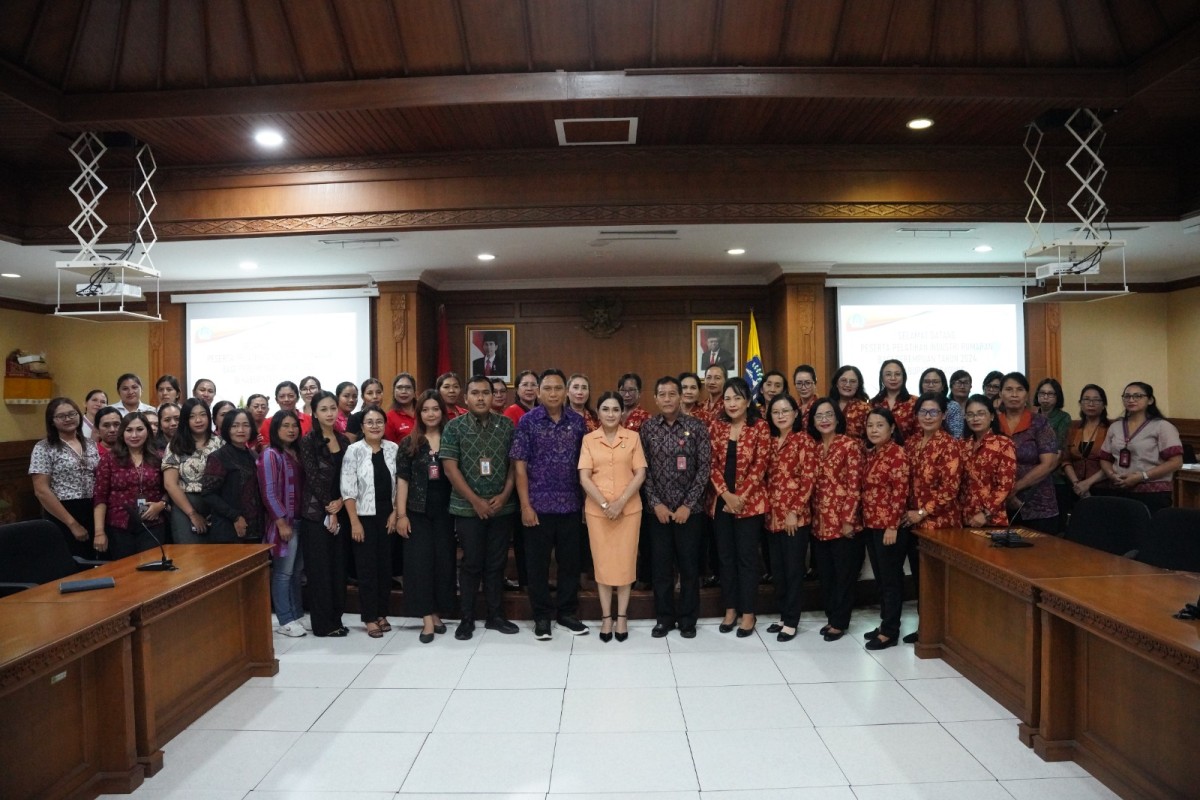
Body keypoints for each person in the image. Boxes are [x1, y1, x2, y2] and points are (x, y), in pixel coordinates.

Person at [511, 369, 589, 639]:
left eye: (558, 388)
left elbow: (586, 466)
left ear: (565, 391)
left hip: (570, 505)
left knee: (569, 564)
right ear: (539, 392)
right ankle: (541, 616)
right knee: (537, 565)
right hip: (538, 506)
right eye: (548, 388)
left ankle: (567, 613)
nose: (553, 393)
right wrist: (525, 505)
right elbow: (519, 467)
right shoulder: (527, 422)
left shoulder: (578, 423)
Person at [441, 376, 520, 640]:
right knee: (472, 563)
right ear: (466, 397)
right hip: (467, 509)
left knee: (496, 564)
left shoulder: (507, 425)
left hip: (501, 507)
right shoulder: (454, 427)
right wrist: (475, 501)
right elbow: (450, 469)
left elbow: (514, 465)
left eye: (486, 392)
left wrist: (505, 494)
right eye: (475, 393)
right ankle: (467, 618)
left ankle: (495, 615)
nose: (481, 398)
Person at [640, 376, 711, 639]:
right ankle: (664, 618)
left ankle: (688, 620)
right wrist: (655, 503)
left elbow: (704, 469)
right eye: (663, 394)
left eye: (673, 394)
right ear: (656, 398)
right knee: (661, 568)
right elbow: (641, 469)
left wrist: (687, 505)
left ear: (681, 397)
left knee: (689, 568)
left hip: (689, 513)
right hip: (657, 512)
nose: (668, 399)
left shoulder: (697, 426)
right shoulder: (647, 429)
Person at [580, 391, 648, 642]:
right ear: (598, 412)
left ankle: (622, 617)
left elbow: (640, 473)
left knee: (625, 563)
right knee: (603, 565)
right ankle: (606, 617)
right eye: (605, 409)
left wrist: (619, 503)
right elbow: (584, 477)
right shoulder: (589, 439)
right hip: (598, 513)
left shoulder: (633, 438)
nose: (610, 414)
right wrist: (606, 504)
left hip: (628, 511)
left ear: (622, 413)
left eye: (615, 409)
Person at [708, 377, 770, 638]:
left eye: (737, 397)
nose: (731, 403)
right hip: (722, 504)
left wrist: (740, 497)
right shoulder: (716, 426)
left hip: (750, 503)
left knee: (747, 559)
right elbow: (710, 462)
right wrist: (726, 495)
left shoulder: (760, 427)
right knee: (726, 558)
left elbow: (761, 464)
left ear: (747, 400)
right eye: (727, 398)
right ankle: (730, 609)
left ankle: (748, 613)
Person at [395, 390, 455, 643]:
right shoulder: (409, 444)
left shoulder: (452, 438)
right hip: (417, 513)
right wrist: (401, 515)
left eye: (435, 409)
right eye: (426, 410)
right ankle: (426, 619)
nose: (431, 414)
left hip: (446, 513)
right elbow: (402, 481)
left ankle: (436, 611)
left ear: (442, 412)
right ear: (419, 414)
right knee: (419, 566)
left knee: (442, 564)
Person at [809, 398, 865, 642]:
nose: (824, 419)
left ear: (837, 418)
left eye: (828, 414)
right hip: (819, 522)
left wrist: (848, 519)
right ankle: (832, 617)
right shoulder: (813, 446)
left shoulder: (849, 445)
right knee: (827, 574)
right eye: (819, 416)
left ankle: (840, 622)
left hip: (843, 523)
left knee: (844, 575)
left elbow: (855, 485)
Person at [764, 394, 818, 643]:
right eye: (776, 412)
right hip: (771, 517)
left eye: (786, 411)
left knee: (794, 570)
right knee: (779, 570)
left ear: (796, 414)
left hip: (794, 518)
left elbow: (808, 479)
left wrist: (794, 511)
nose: (781, 415)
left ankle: (792, 620)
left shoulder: (804, 441)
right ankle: (783, 615)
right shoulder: (769, 440)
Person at [341, 405, 398, 638]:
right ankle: (369, 617)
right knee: (367, 570)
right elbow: (347, 489)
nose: (375, 426)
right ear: (362, 426)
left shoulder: (393, 449)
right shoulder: (353, 451)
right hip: (363, 518)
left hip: (388, 517)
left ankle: (382, 613)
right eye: (369, 422)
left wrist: (396, 512)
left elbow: (400, 483)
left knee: (385, 569)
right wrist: (354, 522)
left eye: (379, 422)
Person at [298, 390, 350, 637]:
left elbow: (348, 477)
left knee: (338, 568)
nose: (330, 413)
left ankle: (336, 619)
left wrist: (340, 503)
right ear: (315, 414)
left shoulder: (345, 440)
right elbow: (313, 477)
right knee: (320, 570)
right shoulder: (308, 441)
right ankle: (323, 624)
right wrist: (330, 506)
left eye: (333, 408)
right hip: (316, 513)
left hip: (341, 509)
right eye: (324, 409)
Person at [860, 407, 910, 650]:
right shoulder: (872, 454)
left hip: (889, 528)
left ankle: (890, 631)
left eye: (880, 425)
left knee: (891, 580)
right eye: (870, 425)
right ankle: (884, 624)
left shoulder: (897, 454)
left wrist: (892, 526)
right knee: (882, 578)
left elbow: (900, 493)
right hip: (871, 524)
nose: (874, 429)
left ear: (891, 428)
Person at [30, 397, 102, 559]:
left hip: (91, 508)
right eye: (61, 416)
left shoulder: (90, 444)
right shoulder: (44, 447)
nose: (68, 418)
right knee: (69, 562)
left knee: (92, 562)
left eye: (72, 414)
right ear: (52, 421)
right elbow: (41, 490)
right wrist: (72, 524)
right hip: (62, 512)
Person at [1098, 381, 1184, 513]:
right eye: (1127, 396)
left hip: (1152, 493)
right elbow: (1105, 458)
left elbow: (1176, 462)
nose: (1131, 400)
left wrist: (1142, 476)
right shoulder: (1116, 426)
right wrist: (1111, 474)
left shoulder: (1162, 426)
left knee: (1149, 531)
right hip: (1118, 489)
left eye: (1137, 396)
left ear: (1150, 400)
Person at [92, 412, 167, 560]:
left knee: (153, 570)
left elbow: (169, 488)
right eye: (129, 430)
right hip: (119, 525)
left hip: (153, 523)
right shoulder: (109, 459)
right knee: (125, 574)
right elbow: (100, 497)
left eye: (139, 429)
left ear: (148, 431)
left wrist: (162, 504)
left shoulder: (159, 457)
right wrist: (99, 532)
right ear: (122, 433)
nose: (134, 435)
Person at [259, 409, 306, 637]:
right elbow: (268, 491)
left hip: (300, 519)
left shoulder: (297, 452)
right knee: (282, 573)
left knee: (296, 572)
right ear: (276, 429)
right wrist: (280, 522)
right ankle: (285, 619)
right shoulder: (271, 454)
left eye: (294, 425)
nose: (291, 430)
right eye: (285, 426)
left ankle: (296, 614)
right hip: (283, 523)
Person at [997, 372, 1060, 533]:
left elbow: (1049, 463)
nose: (1014, 394)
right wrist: (1005, 493)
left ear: (1027, 395)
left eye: (1019, 389)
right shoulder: (993, 424)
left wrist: (1016, 488)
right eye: (1009, 389)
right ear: (1000, 394)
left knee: (1040, 556)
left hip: (1038, 503)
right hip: (998, 505)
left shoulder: (1040, 422)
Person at [162, 398, 223, 545]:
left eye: (202, 415)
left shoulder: (220, 443)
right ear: (185, 420)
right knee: (190, 558)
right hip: (186, 506)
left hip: (218, 507)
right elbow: (170, 484)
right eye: (192, 416)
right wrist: (192, 514)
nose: (198, 420)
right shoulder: (175, 445)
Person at [201, 408, 264, 544]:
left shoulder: (253, 456)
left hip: (255, 527)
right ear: (227, 429)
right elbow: (208, 494)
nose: (240, 430)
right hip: (229, 527)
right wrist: (235, 517)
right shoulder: (219, 457)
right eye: (235, 426)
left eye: (246, 425)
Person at [904, 392, 964, 533]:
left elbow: (950, 490)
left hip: (941, 523)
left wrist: (921, 513)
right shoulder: (911, 442)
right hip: (911, 521)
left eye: (933, 412)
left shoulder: (950, 445)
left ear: (943, 415)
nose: (928, 417)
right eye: (923, 412)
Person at [960, 395, 1017, 527]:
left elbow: (1005, 485)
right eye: (970, 414)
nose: (975, 419)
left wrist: (985, 513)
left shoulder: (1004, 444)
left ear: (991, 416)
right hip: (965, 517)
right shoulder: (963, 445)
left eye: (981, 414)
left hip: (992, 519)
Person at [1062, 384, 1111, 507]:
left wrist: (1088, 483)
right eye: (1086, 399)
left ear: (1104, 404)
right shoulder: (1073, 428)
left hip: (1104, 488)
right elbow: (1065, 460)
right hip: (1075, 488)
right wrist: (1077, 483)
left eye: (1096, 400)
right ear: (1080, 403)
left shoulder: (1111, 428)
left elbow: (1114, 461)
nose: (1091, 403)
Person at [1035, 377, 1073, 529]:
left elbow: (1059, 448)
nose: (1045, 397)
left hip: (1055, 477)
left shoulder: (1063, 417)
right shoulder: (1032, 416)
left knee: (1055, 525)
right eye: (1042, 393)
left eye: (1050, 394)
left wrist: (1044, 470)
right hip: (1031, 476)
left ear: (1057, 397)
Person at [871, 359, 917, 440]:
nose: (893, 378)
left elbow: (920, 433)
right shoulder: (874, 403)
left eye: (897, 374)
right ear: (882, 378)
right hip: (878, 451)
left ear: (904, 377)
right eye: (888, 374)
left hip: (908, 450)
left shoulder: (914, 402)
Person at [920, 367, 963, 438]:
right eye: (927, 382)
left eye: (935, 382)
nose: (930, 385)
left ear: (943, 386)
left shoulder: (952, 407)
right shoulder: (915, 404)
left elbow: (956, 436)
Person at [830, 365, 871, 439]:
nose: (848, 385)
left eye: (853, 381)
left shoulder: (865, 409)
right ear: (836, 383)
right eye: (843, 380)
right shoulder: (827, 406)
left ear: (858, 385)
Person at [345, 377, 384, 442]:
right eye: (370, 393)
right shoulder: (354, 418)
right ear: (363, 397)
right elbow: (350, 446)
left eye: (378, 392)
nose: (375, 396)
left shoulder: (385, 416)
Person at [385, 372, 418, 443]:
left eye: (408, 387)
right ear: (394, 391)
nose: (403, 391)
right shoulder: (389, 417)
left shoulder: (423, 411)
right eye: (399, 388)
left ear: (414, 391)